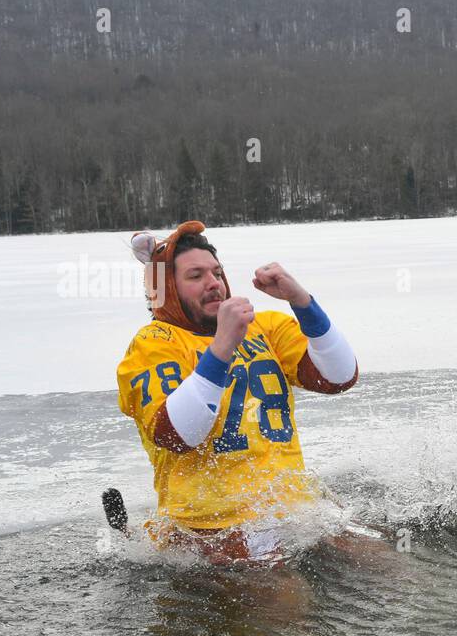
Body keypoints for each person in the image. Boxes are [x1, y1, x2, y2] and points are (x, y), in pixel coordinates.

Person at [116, 220, 359, 563]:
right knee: (286, 604)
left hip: (294, 508)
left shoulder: (265, 327)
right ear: (167, 289)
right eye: (195, 276)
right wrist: (223, 346)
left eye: (217, 272)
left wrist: (301, 301)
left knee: (394, 568)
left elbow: (339, 377)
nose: (214, 284)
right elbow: (177, 435)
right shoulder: (152, 345)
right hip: (212, 526)